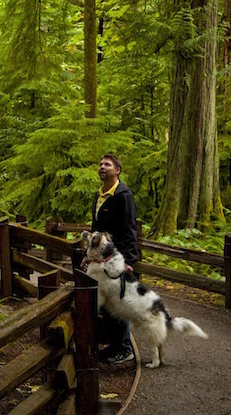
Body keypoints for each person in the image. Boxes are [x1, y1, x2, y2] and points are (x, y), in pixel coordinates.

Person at [90, 153, 140, 364]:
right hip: (103, 259)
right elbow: (96, 230)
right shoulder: (99, 195)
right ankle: (114, 345)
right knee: (108, 303)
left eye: (107, 165)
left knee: (119, 302)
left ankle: (125, 348)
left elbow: (129, 230)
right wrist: (89, 256)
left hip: (119, 259)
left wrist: (128, 260)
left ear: (117, 170)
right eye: (101, 164)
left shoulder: (123, 196)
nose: (102, 167)